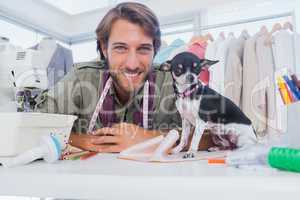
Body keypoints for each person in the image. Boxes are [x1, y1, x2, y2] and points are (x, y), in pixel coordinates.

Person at [35, 2, 186, 153]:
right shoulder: (81, 79)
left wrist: (151, 139)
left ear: (155, 50)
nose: (132, 64)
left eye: (143, 49)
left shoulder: (172, 80)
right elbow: (32, 124)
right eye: (121, 48)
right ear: (104, 48)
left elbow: (208, 135)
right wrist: (78, 139)